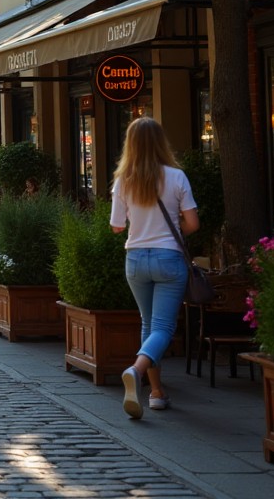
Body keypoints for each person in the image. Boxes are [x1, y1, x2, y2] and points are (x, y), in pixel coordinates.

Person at [110, 117, 199, 420]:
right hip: (169, 259)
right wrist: (172, 232)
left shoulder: (123, 180)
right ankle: (136, 371)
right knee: (163, 328)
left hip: (135, 259)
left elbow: (116, 227)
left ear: (130, 144)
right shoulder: (176, 177)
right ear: (161, 142)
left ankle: (156, 393)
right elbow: (192, 224)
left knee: (148, 324)